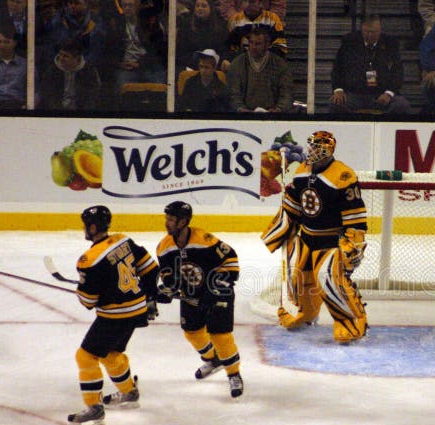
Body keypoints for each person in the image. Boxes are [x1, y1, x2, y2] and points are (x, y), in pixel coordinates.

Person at [261, 131, 368, 344]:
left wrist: (353, 242)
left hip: (331, 241)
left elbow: (354, 215)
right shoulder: (301, 171)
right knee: (299, 279)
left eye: (315, 148)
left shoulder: (343, 175)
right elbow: (292, 205)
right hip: (306, 238)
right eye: (310, 147)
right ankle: (305, 313)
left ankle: (352, 321)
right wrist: (280, 231)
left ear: (328, 151)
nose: (310, 151)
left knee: (328, 279)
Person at [67, 205, 160, 425]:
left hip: (115, 315)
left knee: (86, 357)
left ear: (92, 226)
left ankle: (94, 409)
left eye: (85, 225)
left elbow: (88, 301)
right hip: (137, 310)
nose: (84, 229)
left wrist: (82, 289)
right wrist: (149, 298)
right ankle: (128, 392)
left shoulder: (88, 260)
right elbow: (151, 268)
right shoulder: (123, 240)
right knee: (111, 353)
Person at [155, 201, 244, 398]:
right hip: (192, 294)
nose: (167, 223)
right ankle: (214, 360)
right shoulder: (164, 247)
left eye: (171, 219)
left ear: (183, 221)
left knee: (220, 335)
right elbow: (169, 276)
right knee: (192, 332)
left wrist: (218, 286)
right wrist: (167, 290)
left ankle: (234, 374)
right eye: (167, 219)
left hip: (218, 292)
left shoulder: (204, 239)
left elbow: (230, 258)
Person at [329, 14, 411, 114]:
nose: (370, 35)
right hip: (355, 94)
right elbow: (337, 68)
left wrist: (388, 93)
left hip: (381, 93)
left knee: (401, 105)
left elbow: (398, 72)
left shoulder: (390, 43)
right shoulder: (349, 42)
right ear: (362, 30)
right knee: (335, 104)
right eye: (367, 32)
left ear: (380, 30)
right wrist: (338, 90)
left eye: (374, 32)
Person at [226, 27, 292, 112]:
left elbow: (287, 93)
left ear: (267, 45)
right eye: (251, 43)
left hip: (272, 116)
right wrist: (240, 108)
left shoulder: (280, 65)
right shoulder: (237, 64)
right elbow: (232, 93)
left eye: (258, 44)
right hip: (244, 116)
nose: (253, 47)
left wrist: (279, 109)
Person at [37, 37, 101, 110]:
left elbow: (92, 96)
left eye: (66, 56)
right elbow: (48, 94)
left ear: (76, 58)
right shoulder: (52, 70)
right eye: (60, 54)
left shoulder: (89, 71)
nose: (61, 58)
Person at [176, 0, 229, 72]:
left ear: (210, 8)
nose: (200, 8)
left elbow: (224, 49)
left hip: (215, 67)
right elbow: (181, 52)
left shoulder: (221, 28)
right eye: (197, 6)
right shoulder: (186, 26)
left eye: (203, 6)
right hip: (191, 67)